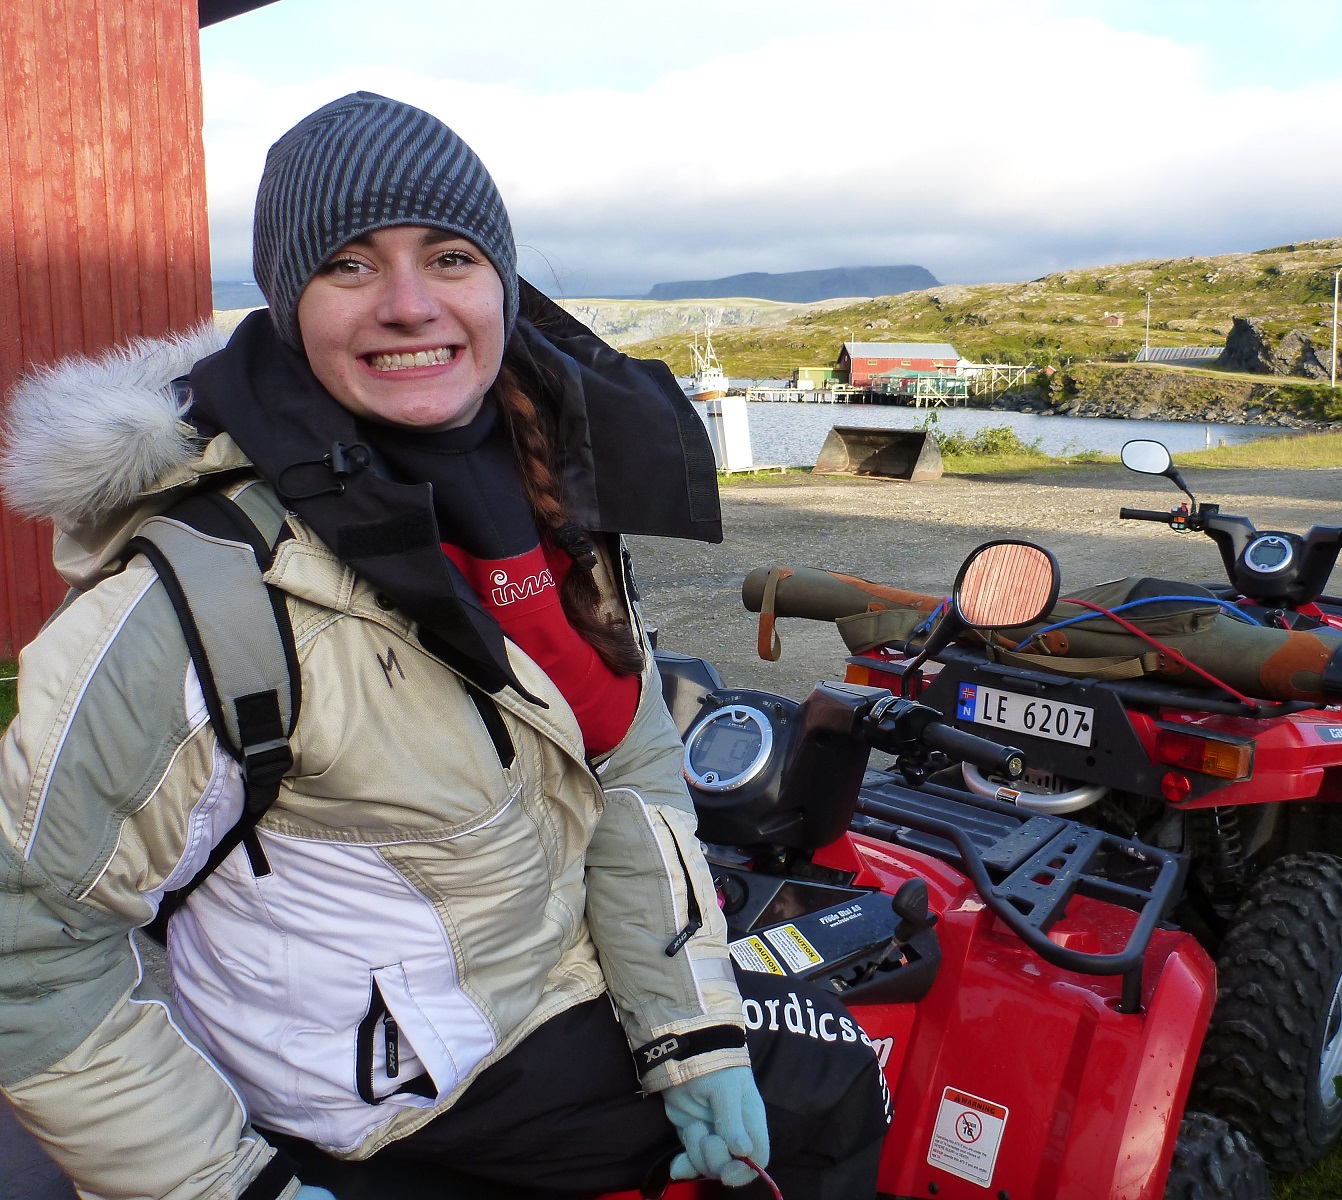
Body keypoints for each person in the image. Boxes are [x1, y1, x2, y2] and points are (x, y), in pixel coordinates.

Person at [0, 93, 887, 1200]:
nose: (411, 305)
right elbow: (26, 941)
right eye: (350, 266)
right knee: (836, 1082)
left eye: (451, 255)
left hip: (530, 973)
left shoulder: (547, 489)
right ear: (287, 303)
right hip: (393, 1086)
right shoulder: (199, 598)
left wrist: (689, 1033)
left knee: (814, 1048)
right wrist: (218, 1186)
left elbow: (630, 763)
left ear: (503, 284)